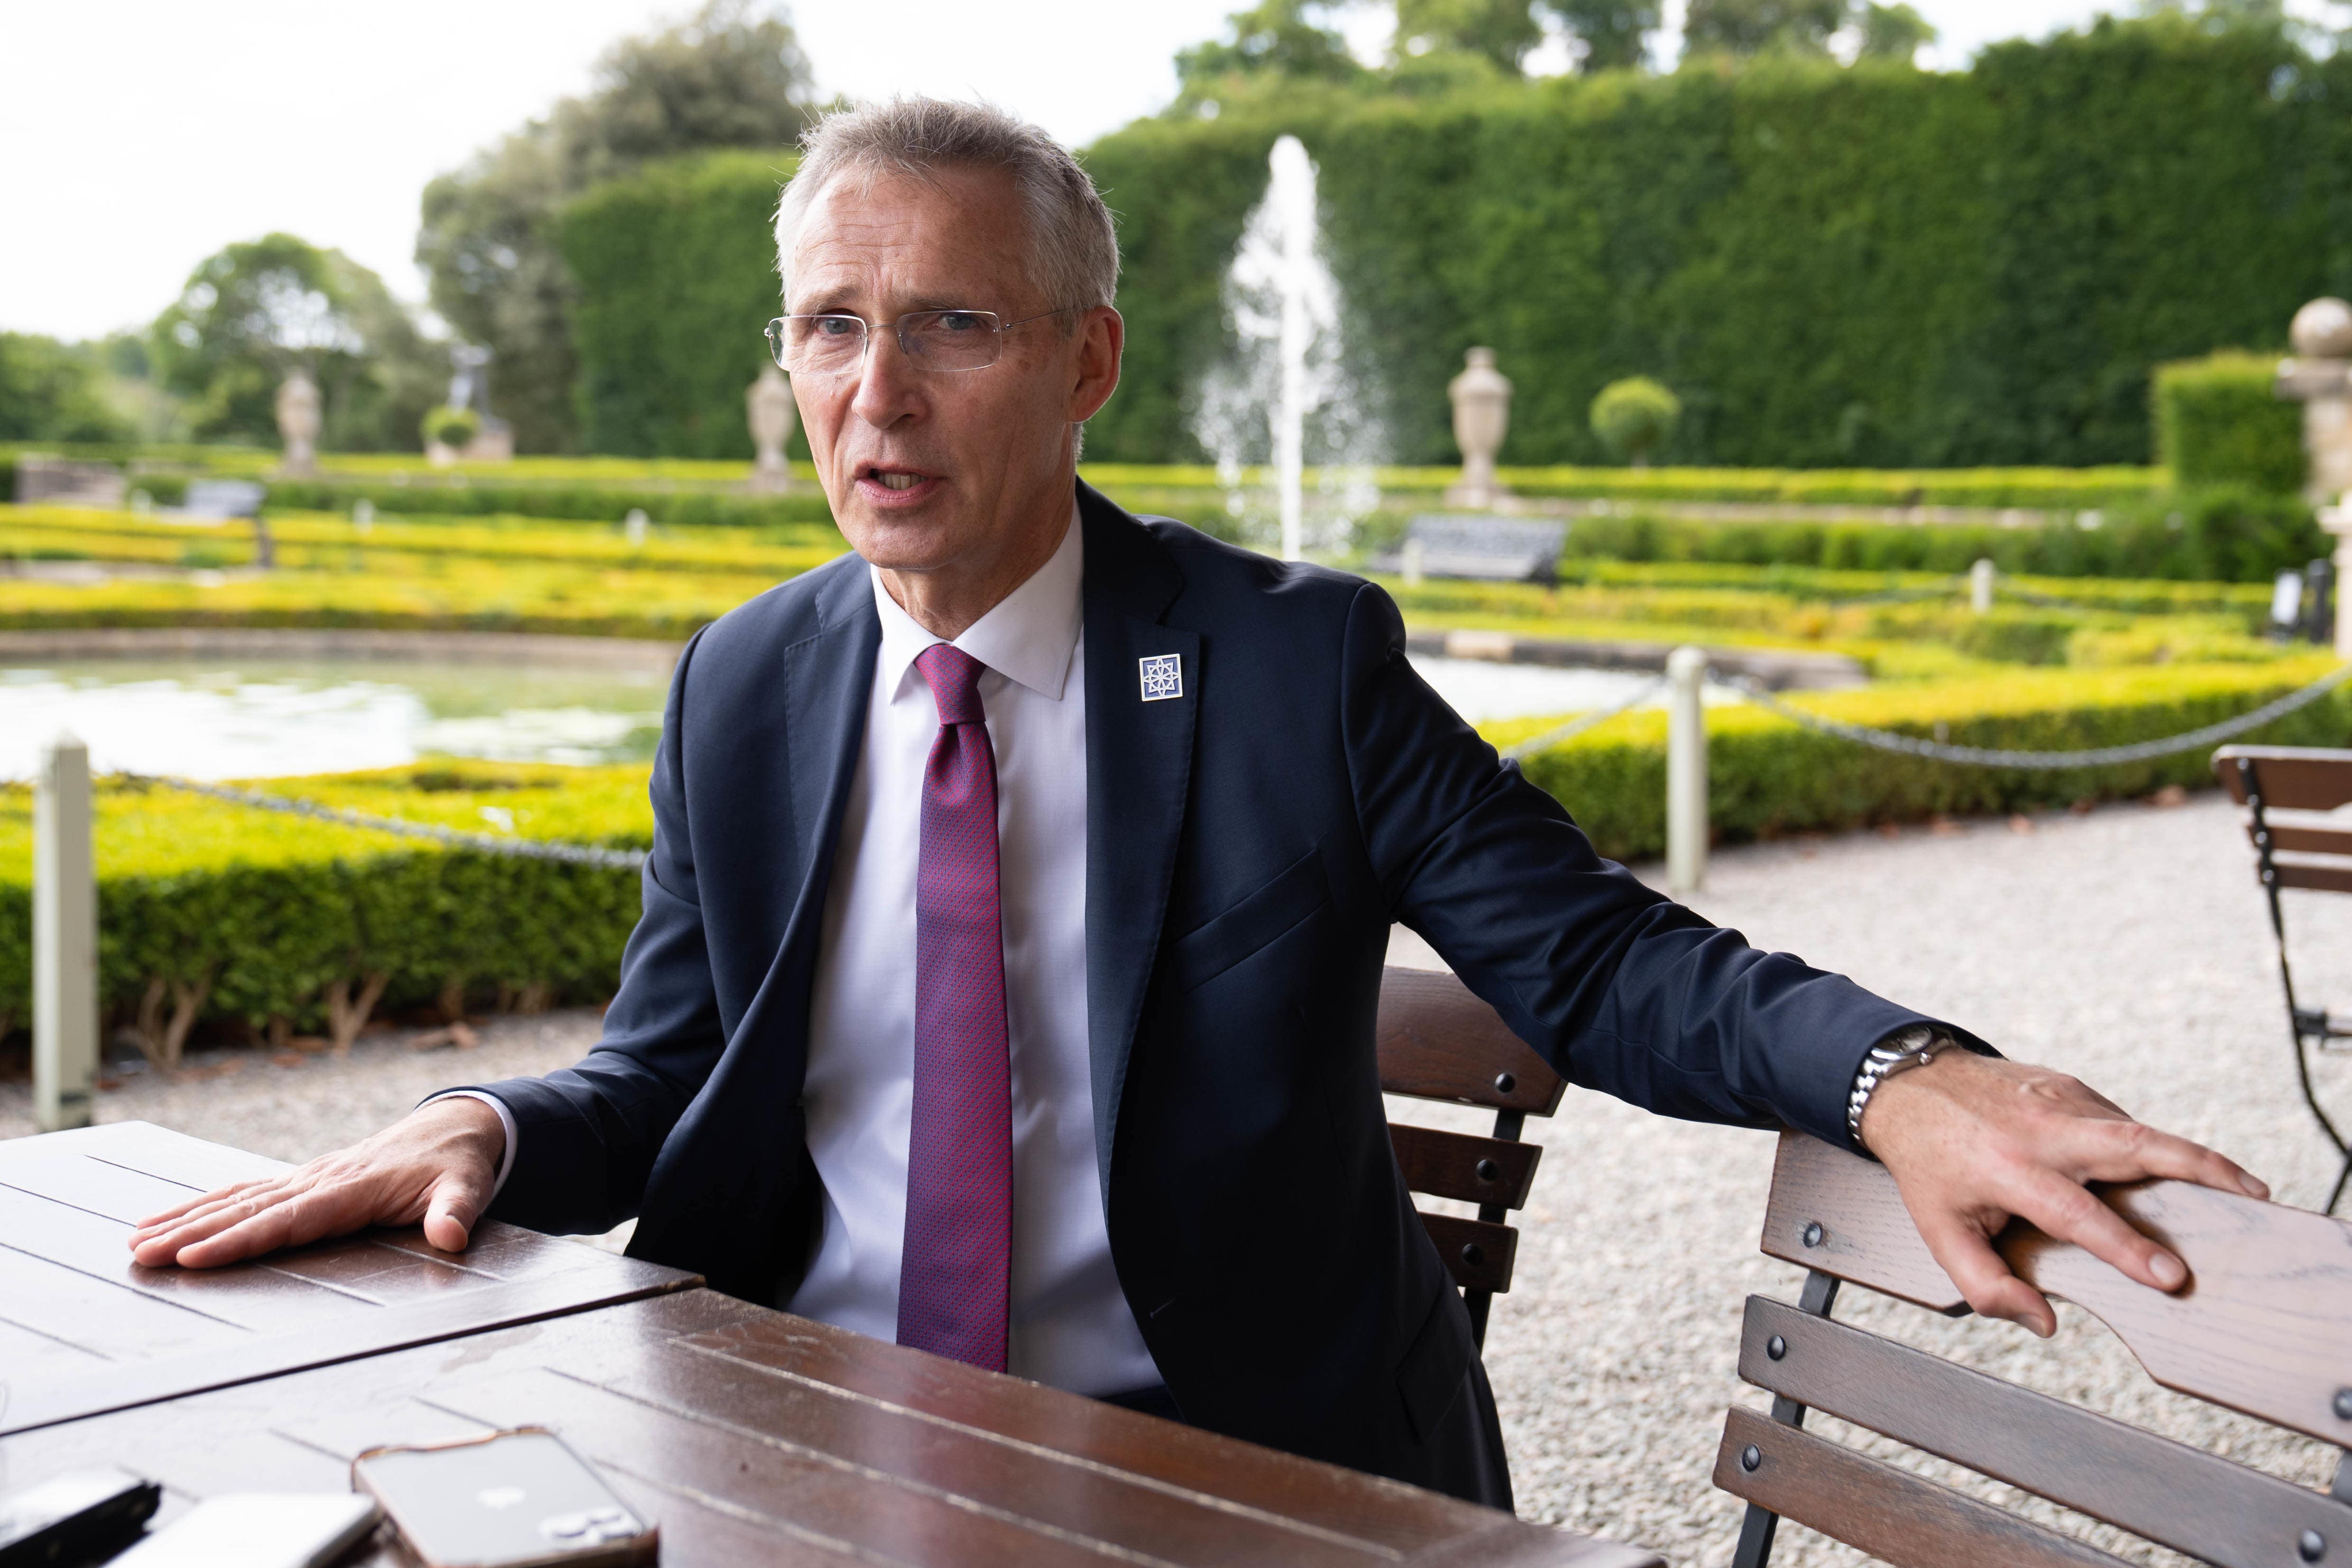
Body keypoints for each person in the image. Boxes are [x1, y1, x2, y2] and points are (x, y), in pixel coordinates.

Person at [129, 99, 2266, 1509]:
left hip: (1221, 1467)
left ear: (1086, 363)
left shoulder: (1286, 661)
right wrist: (484, 1125)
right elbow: (676, 1066)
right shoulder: (747, 679)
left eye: (954, 324)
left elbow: (1598, 956)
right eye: (832, 329)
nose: (879, 395)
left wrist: (1903, 1072)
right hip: (804, 1437)